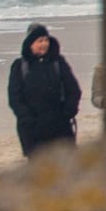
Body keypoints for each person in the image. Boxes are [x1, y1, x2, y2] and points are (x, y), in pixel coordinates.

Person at [7, 22, 82, 157]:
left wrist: (68, 112)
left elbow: (74, 90)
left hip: (60, 127)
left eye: (46, 40)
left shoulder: (58, 62)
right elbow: (14, 97)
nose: (44, 44)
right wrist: (26, 118)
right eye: (39, 41)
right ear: (30, 43)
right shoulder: (20, 66)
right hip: (32, 130)